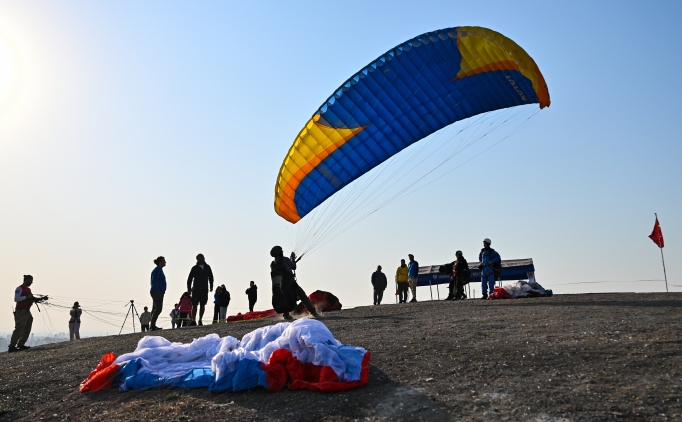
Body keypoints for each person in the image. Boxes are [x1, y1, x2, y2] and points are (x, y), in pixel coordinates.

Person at [270, 246, 320, 320]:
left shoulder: (273, 264)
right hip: (290, 283)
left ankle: (286, 315)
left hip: (281, 286)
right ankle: (313, 312)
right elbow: (293, 266)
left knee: (286, 298)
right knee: (302, 295)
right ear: (280, 253)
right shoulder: (285, 260)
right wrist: (292, 258)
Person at [9, 275, 47, 352]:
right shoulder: (19, 288)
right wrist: (26, 297)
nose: (31, 282)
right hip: (20, 311)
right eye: (31, 280)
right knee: (19, 328)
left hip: (27, 311)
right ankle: (12, 346)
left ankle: (21, 344)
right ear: (27, 280)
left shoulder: (28, 290)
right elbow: (16, 299)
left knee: (27, 327)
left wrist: (42, 299)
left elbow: (32, 299)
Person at [186, 254, 214, 326]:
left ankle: (200, 320)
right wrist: (189, 289)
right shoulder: (194, 268)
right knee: (194, 304)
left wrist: (211, 286)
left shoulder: (207, 267)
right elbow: (189, 279)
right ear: (197, 259)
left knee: (202, 304)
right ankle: (193, 320)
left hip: (204, 289)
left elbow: (211, 277)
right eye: (200, 258)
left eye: (203, 257)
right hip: (196, 289)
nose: (202, 259)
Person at [150, 256, 167, 330]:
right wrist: (159, 290)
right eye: (164, 261)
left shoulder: (159, 270)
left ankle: (152, 325)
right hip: (157, 292)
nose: (165, 262)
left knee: (155, 309)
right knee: (158, 309)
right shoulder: (157, 270)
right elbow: (154, 281)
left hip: (158, 291)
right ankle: (152, 326)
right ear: (160, 262)